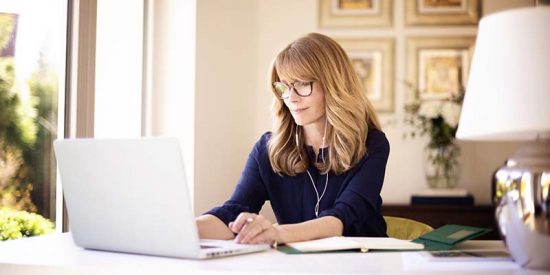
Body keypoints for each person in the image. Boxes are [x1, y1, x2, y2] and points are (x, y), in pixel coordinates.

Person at [196, 33, 390, 246]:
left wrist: (277, 233)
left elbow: (343, 218)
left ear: (333, 84)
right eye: (284, 87)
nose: (291, 97)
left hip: (363, 262)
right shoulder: (268, 149)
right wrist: (183, 227)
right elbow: (233, 213)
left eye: (303, 84)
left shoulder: (371, 144)